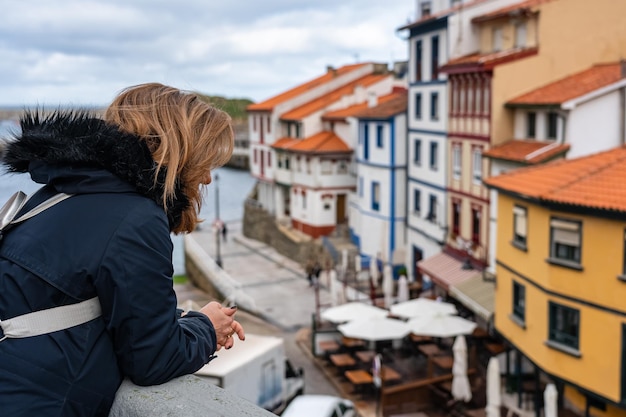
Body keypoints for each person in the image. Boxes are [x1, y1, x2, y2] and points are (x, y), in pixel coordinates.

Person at [0, 83, 245, 416]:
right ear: (179, 153)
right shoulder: (136, 220)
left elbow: (85, 303)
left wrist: (185, 319)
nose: (207, 179)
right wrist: (206, 328)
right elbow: (154, 360)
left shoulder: (60, 195)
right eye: (204, 162)